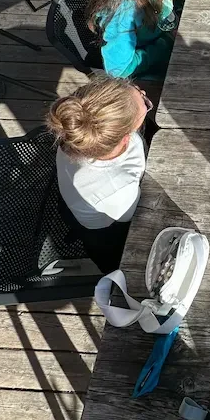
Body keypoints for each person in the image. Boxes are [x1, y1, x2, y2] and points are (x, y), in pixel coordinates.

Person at [47, 74, 150, 273]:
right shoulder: (118, 189)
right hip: (109, 236)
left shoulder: (75, 135)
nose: (143, 92)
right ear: (125, 139)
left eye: (134, 88)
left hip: (74, 204)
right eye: (145, 102)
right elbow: (131, 218)